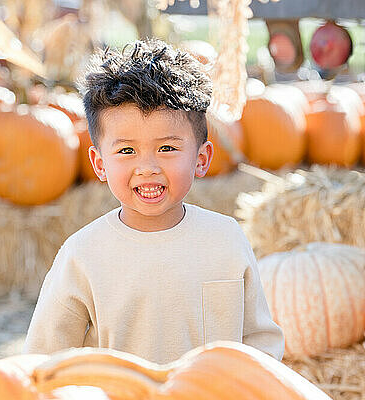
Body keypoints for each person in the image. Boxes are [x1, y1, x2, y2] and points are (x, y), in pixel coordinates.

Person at [23, 38, 284, 364]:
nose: (147, 168)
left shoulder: (226, 239)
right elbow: (44, 361)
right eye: (126, 151)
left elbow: (260, 343)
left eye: (167, 148)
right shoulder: (83, 255)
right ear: (100, 163)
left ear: (202, 158)